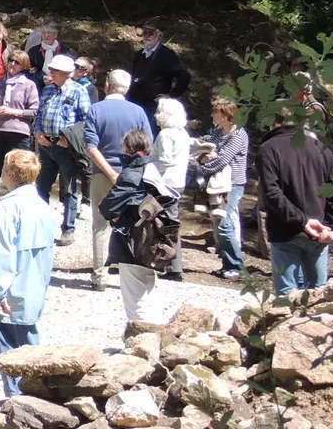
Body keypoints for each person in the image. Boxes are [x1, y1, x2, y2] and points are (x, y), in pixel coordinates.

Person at [254, 77, 333, 297]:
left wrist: (303, 221)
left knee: (286, 299)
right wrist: (331, 226)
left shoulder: (268, 148)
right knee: (319, 299)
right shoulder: (321, 148)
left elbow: (271, 194)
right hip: (319, 232)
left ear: (275, 121)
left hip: (286, 231)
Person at [0, 149, 59, 397]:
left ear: (11, 173)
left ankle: (19, 410)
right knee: (31, 354)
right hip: (33, 291)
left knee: (9, 358)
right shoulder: (43, 206)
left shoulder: (5, 209)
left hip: (8, 296)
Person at [100, 128, 179, 322]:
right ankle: (155, 334)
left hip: (133, 243)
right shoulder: (152, 171)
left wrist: (116, 217)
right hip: (153, 240)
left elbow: (107, 207)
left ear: (127, 149)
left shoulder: (131, 175)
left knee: (135, 296)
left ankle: (140, 341)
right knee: (148, 291)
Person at [84, 69, 153, 290]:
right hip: (133, 176)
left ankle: (99, 278)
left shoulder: (96, 110)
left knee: (100, 225)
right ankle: (132, 277)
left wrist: (110, 173)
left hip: (102, 174)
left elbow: (91, 147)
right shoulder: (138, 112)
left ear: (108, 85)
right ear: (127, 88)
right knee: (134, 225)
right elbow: (148, 145)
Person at [33, 55, 91, 247]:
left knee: (69, 189)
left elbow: (85, 121)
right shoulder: (48, 90)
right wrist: (38, 131)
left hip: (65, 148)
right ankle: (41, 226)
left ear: (65, 74)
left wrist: (69, 139)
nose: (51, 74)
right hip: (46, 145)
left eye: (54, 71)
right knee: (42, 187)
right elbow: (40, 113)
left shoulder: (79, 91)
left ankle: (68, 229)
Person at [189, 96, 250, 280]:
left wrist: (202, 166)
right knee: (217, 225)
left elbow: (222, 160)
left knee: (225, 224)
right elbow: (201, 149)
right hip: (215, 184)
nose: (212, 115)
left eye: (215, 112)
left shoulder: (239, 134)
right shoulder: (217, 132)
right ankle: (227, 264)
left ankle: (237, 267)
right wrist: (202, 158)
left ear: (225, 115)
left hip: (231, 186)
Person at [0, 51, 38, 203]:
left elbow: (34, 110)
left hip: (19, 131)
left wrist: (13, 111)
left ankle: (22, 201)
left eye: (17, 62)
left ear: (24, 66)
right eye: (11, 61)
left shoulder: (29, 85)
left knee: (21, 167)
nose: (12, 64)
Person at [150, 97, 192, 280]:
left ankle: (171, 266)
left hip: (165, 183)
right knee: (170, 223)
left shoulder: (166, 134)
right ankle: (173, 265)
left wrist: (149, 168)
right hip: (178, 182)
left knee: (164, 225)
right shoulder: (182, 133)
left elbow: (165, 160)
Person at [125, 19, 190, 120]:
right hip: (135, 103)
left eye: (151, 33)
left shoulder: (167, 55)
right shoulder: (139, 54)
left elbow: (184, 75)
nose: (147, 37)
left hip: (152, 107)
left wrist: (171, 96)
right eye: (144, 33)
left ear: (159, 36)